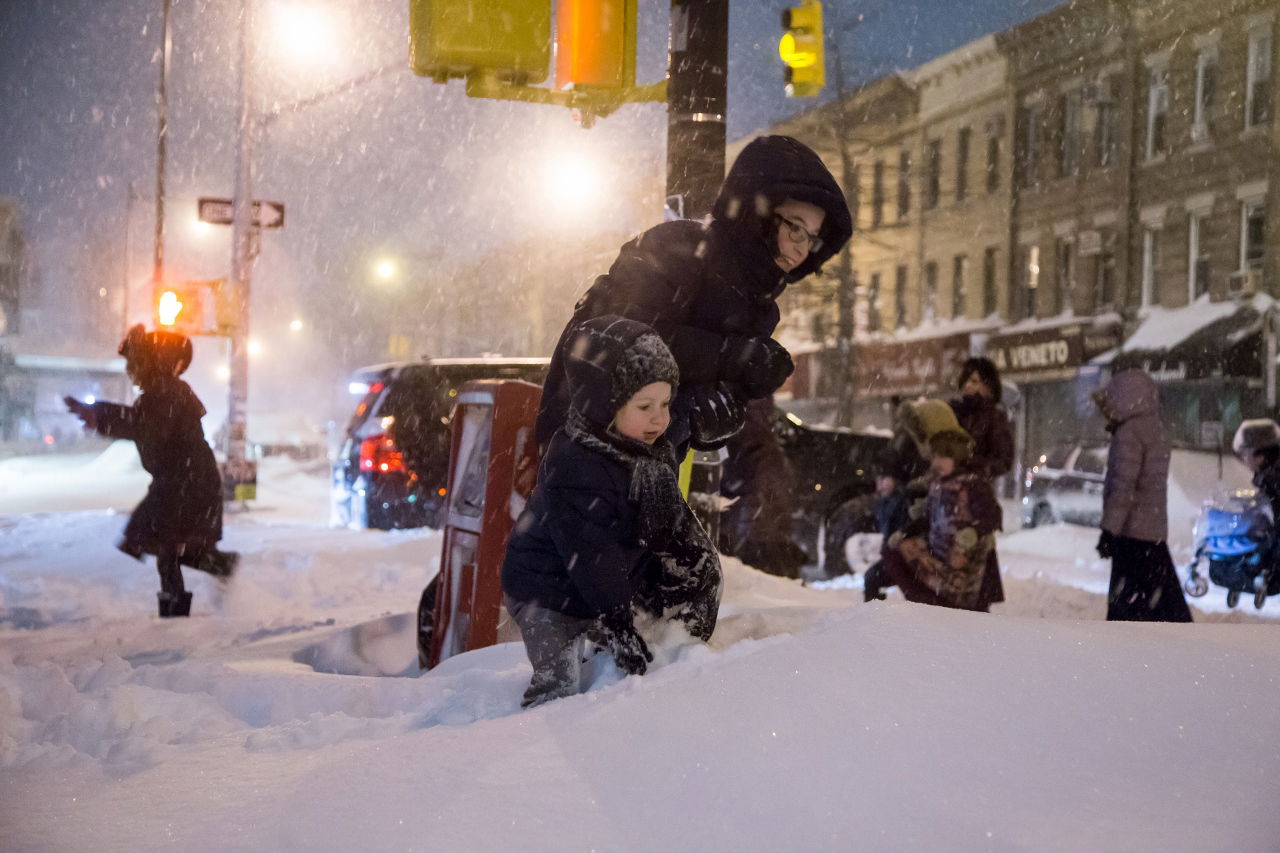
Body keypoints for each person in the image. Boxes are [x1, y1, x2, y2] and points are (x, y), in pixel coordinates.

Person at [535, 135, 853, 454]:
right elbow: (617, 343)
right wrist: (733, 358)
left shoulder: (760, 307)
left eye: (812, 238)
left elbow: (694, 397)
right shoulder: (678, 249)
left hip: (644, 468)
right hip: (579, 448)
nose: (801, 248)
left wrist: (715, 420)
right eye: (795, 228)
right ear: (757, 213)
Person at [501, 316, 720, 707]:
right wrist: (618, 622)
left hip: (602, 586)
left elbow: (658, 530)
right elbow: (592, 555)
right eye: (645, 406)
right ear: (604, 406)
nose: (659, 418)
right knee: (561, 681)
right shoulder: (576, 465)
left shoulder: (645, 451)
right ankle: (533, 739)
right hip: (545, 590)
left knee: (622, 657)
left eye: (665, 403)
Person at [64, 325, 237, 618]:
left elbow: (145, 427)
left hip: (186, 483)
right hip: (182, 482)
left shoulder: (165, 393)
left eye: (133, 363)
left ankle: (179, 610)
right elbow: (143, 424)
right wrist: (99, 415)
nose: (130, 370)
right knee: (166, 546)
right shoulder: (162, 393)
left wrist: (100, 415)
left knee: (164, 544)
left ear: (151, 362)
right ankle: (209, 578)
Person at [1092, 368, 1191, 622]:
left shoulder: (1128, 434)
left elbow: (1123, 487)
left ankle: (1129, 654)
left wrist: (1110, 530)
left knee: (1127, 610)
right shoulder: (1157, 429)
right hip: (1154, 533)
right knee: (1162, 608)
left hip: (1131, 534)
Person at [876, 428, 1002, 610]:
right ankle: (929, 607)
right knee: (893, 552)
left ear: (958, 458)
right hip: (938, 552)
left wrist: (973, 531)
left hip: (963, 558)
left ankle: (942, 609)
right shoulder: (937, 485)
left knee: (962, 598)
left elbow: (992, 515)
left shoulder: (973, 484)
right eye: (935, 457)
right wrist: (904, 532)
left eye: (943, 457)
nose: (936, 463)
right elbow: (928, 518)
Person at [949, 356, 1012, 611]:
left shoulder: (994, 418)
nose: (968, 386)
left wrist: (975, 466)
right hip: (950, 498)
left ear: (989, 386)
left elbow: (1004, 460)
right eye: (966, 380)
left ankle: (978, 616)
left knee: (977, 559)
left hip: (977, 500)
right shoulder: (954, 412)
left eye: (975, 380)